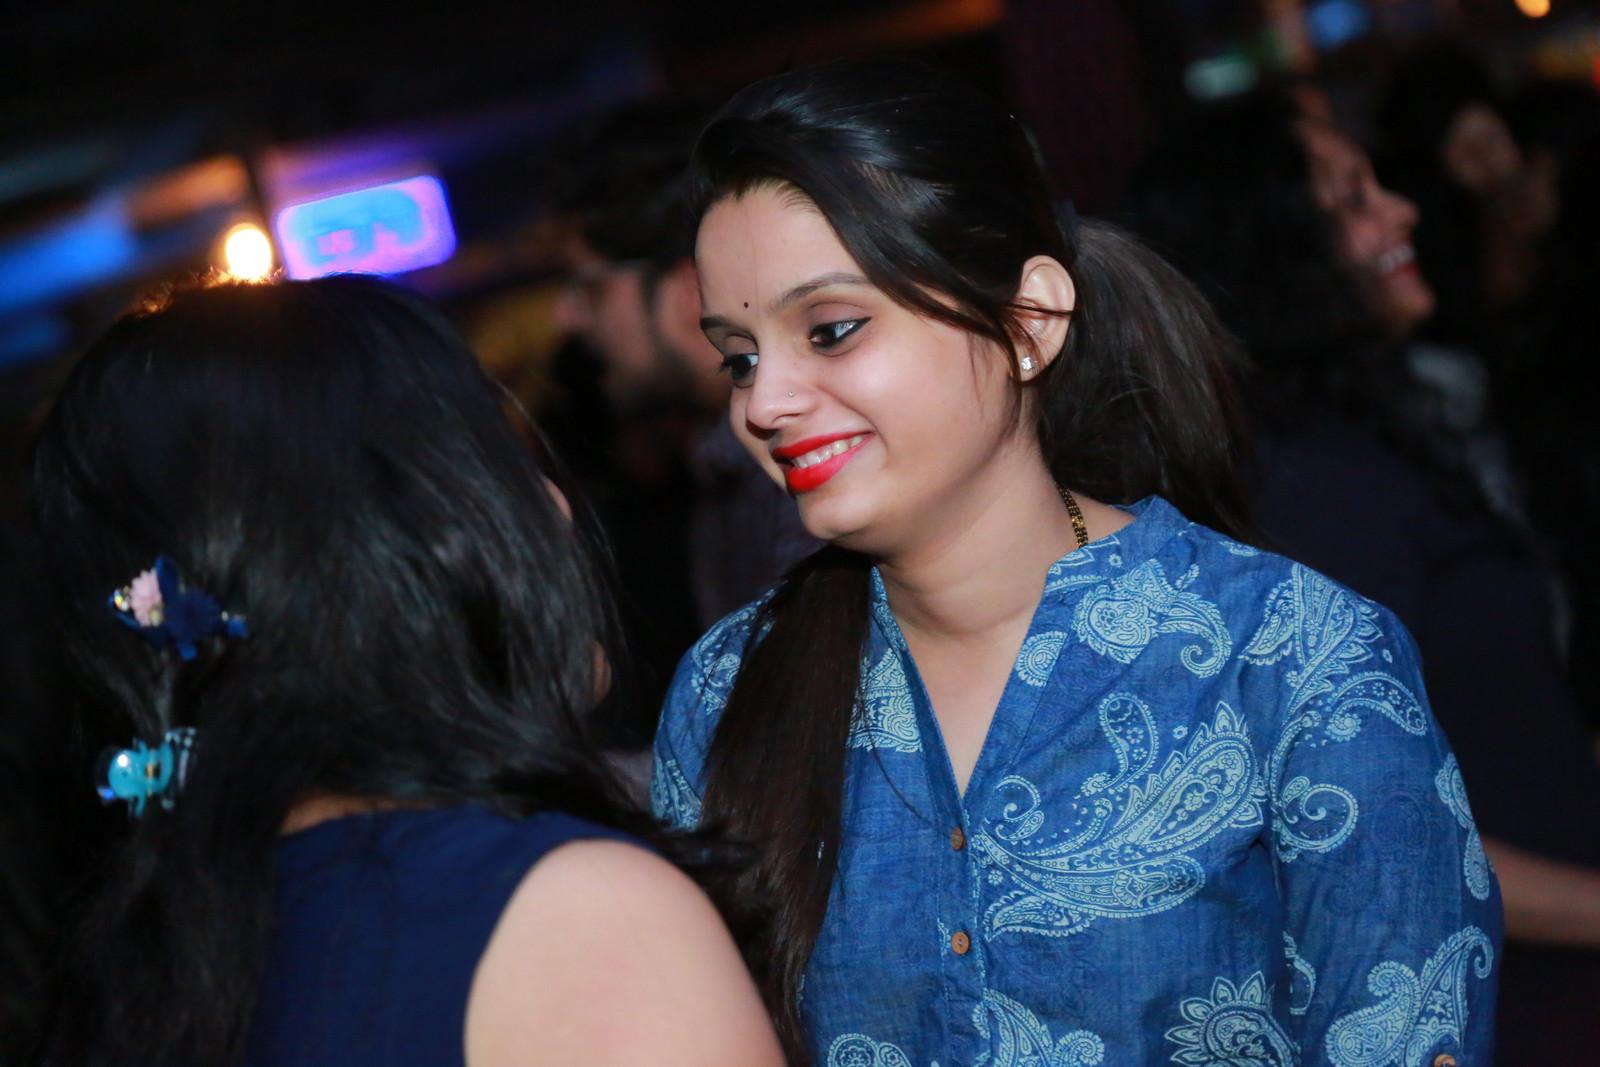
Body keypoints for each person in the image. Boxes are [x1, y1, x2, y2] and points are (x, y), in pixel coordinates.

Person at [652, 61, 1501, 1066]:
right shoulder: (726, 692)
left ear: (1029, 321)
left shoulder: (1289, 656)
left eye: (831, 331)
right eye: (740, 356)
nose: (764, 403)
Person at [30, 277, 782, 1067]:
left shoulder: (163, 969)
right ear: (394, 552)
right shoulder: (571, 916)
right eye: (496, 461)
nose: (556, 506)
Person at [1132, 88, 1600, 1062]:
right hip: (1505, 1000)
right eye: (1352, 200)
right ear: (1275, 254)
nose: (1401, 211)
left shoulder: (1359, 440)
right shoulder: (1310, 493)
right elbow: (1366, 831)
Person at [544, 100, 817, 635]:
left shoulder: (795, 464)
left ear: (693, 289)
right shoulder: (717, 472)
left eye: (590, 288)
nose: (567, 317)